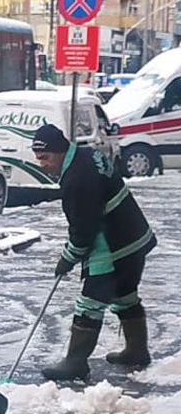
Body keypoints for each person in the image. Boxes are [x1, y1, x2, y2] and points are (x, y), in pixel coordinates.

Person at [32, 124, 156, 381]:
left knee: (90, 302)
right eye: (38, 158)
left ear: (59, 150)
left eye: (45, 157)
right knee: (125, 295)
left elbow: (83, 231)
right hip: (133, 236)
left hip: (115, 247)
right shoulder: (86, 155)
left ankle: (75, 362)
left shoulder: (77, 179)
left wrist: (66, 259)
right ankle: (136, 350)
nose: (42, 163)